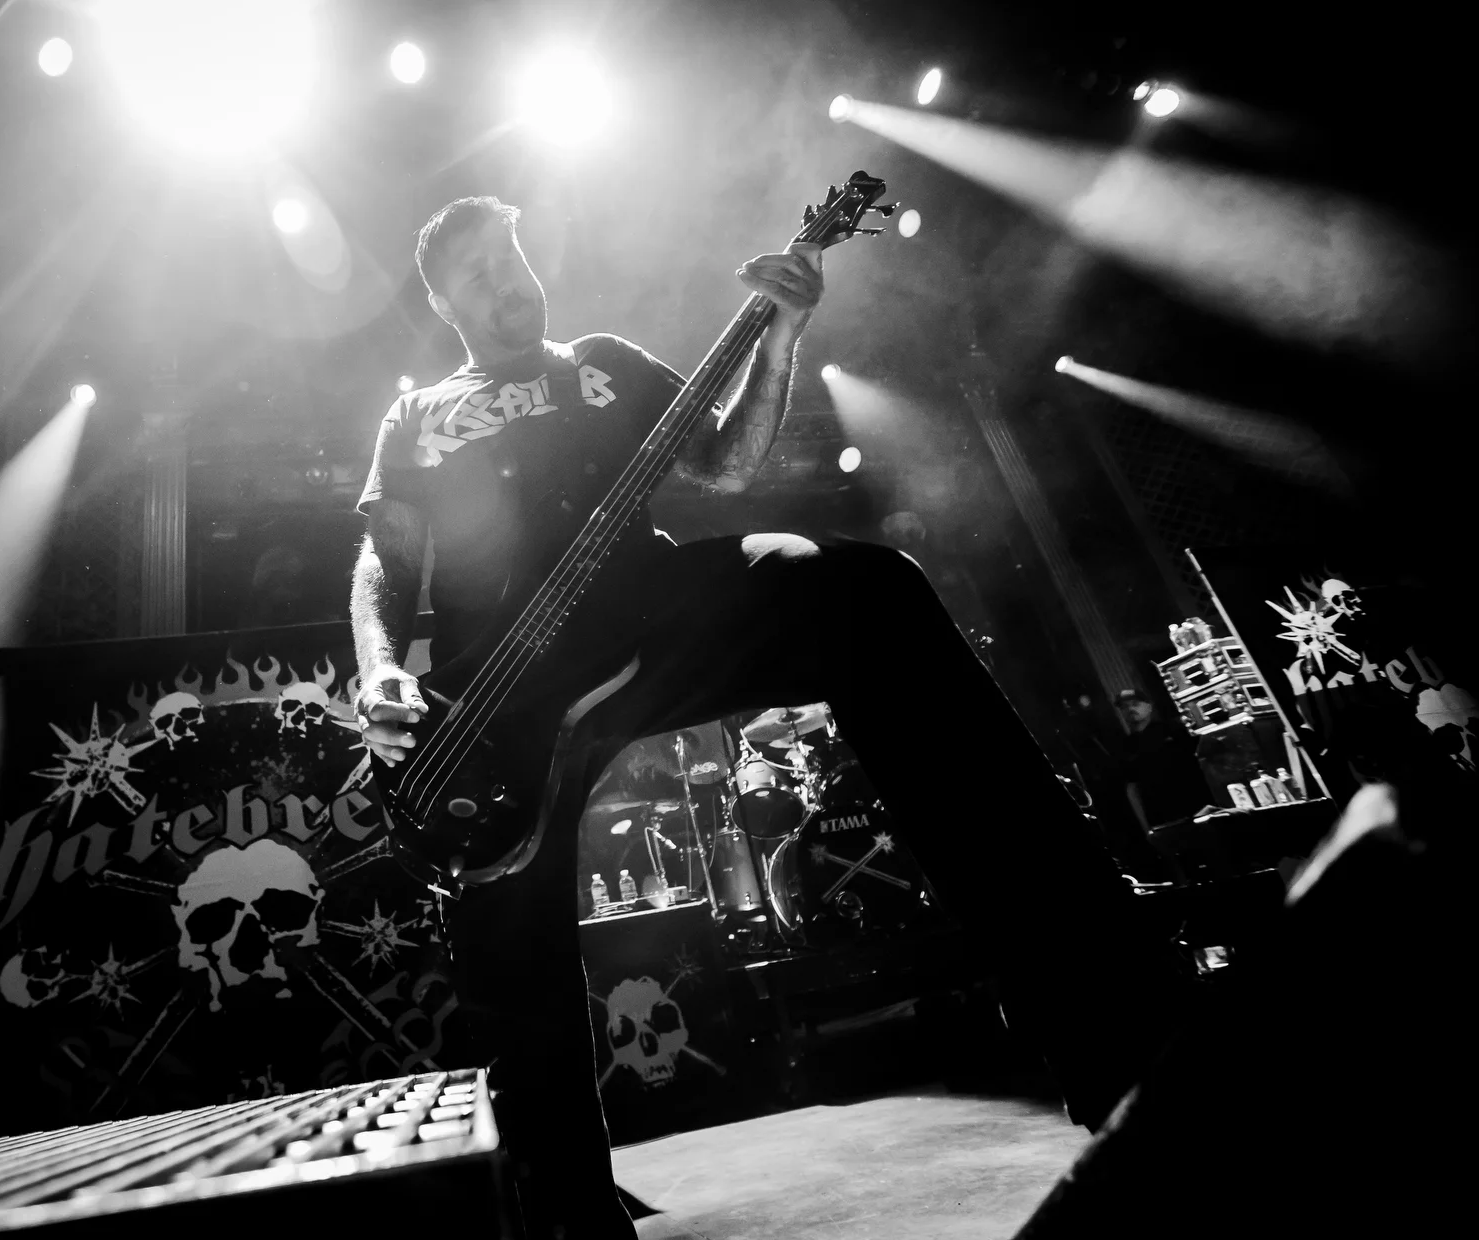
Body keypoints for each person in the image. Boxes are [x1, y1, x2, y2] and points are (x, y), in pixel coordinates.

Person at [349, 196, 1177, 1239]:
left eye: (510, 259)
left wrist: (781, 337)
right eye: (476, 275)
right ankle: (566, 1219)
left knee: (864, 590)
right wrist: (379, 668)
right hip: (502, 689)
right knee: (507, 952)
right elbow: (386, 555)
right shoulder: (419, 415)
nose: (504, 284)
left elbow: (723, 465)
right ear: (442, 303)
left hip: (649, 612)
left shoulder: (603, 363)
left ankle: (1116, 1030)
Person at [1114, 689, 1211, 829]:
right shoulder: (1127, 746)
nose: (1130, 709)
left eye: (1135, 704)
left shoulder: (1174, 730)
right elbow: (1132, 787)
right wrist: (1145, 826)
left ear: (1149, 706)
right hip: (1162, 818)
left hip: (1195, 806)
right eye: (1124, 707)